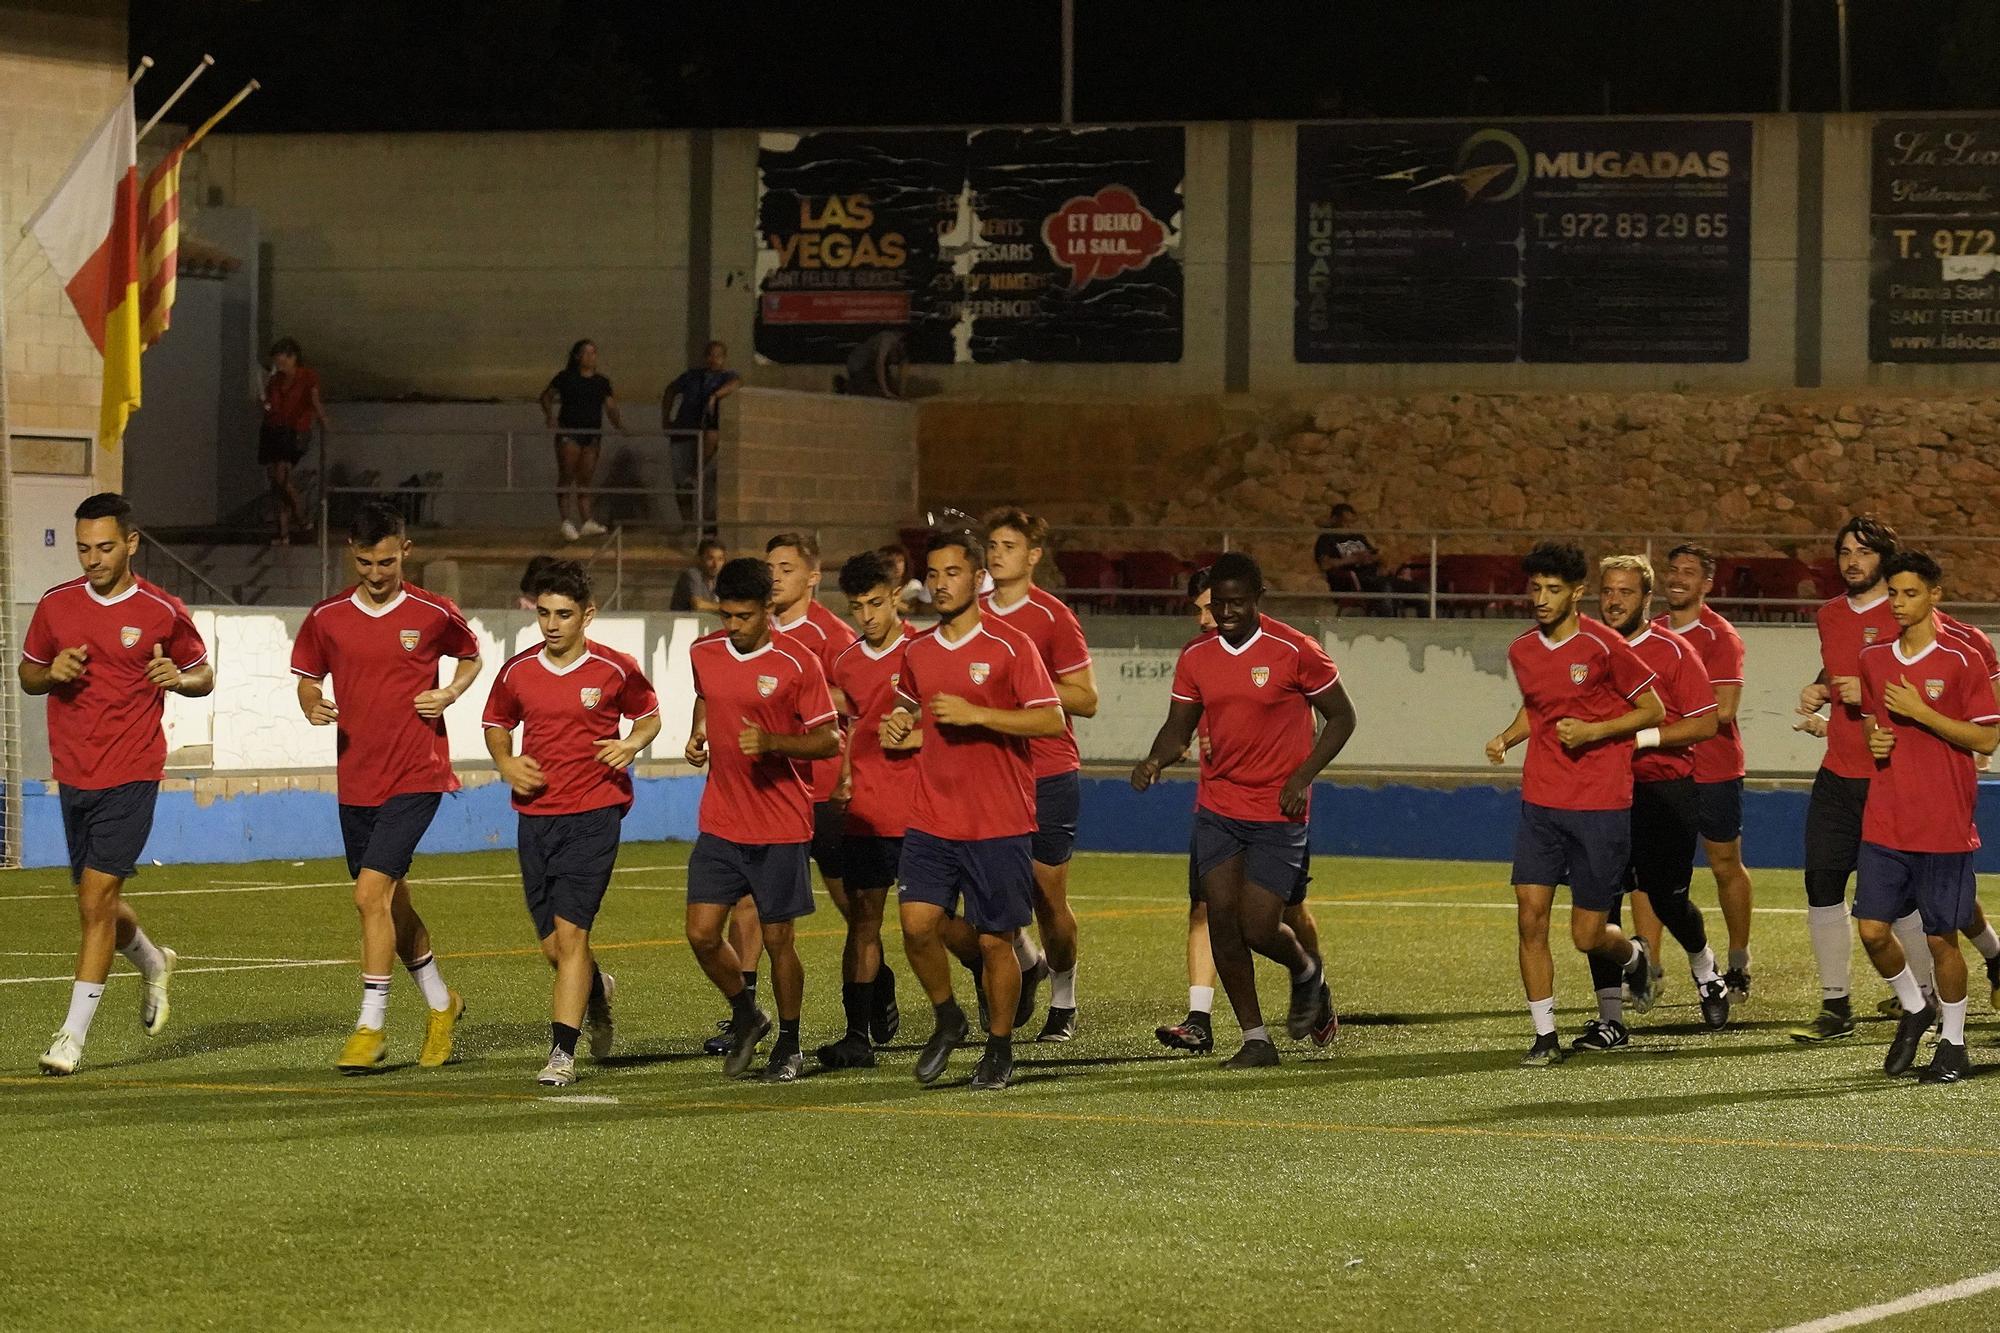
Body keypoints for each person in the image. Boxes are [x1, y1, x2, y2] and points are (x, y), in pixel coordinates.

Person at [1131, 551, 1355, 1068]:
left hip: (1279, 807)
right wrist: (1155, 758)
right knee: (1222, 921)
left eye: (1237, 603)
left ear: (1258, 598)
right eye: (1218, 604)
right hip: (1218, 806)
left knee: (1259, 926)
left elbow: (1342, 718)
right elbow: (1178, 727)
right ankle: (1255, 1038)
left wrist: (1302, 777)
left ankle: (1306, 973)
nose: (1226, 613)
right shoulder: (1196, 656)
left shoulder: (1296, 650)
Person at [23, 493, 212, 1075]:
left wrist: (179, 679)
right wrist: (50, 672)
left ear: (131, 543)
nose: (92, 559)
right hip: (74, 770)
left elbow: (203, 673)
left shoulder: (161, 609)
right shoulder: (57, 605)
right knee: (95, 904)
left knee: (94, 900)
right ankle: (153, 961)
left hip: (132, 771)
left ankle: (71, 1037)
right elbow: (30, 673)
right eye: (83, 549)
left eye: (104, 547)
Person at [293, 500, 482, 1073]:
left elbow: (471, 657)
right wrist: (310, 704)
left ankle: (369, 1026)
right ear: (350, 553)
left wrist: (448, 693)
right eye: (364, 563)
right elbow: (307, 674)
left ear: (406, 550)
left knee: (368, 895)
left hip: (417, 773)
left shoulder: (431, 611)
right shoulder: (327, 617)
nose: (375, 575)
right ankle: (441, 1002)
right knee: (392, 902)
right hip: (357, 780)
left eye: (385, 562)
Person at [881, 530, 1065, 1090]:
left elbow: (1050, 720)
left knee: (994, 941)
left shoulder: (1011, 647)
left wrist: (979, 715)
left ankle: (1000, 1047)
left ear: (978, 579)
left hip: (999, 820)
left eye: (952, 573)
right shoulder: (916, 649)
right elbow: (906, 704)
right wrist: (897, 723)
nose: (939, 584)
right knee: (917, 927)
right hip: (933, 816)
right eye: (932, 575)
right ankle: (948, 1017)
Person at [1485, 541, 1665, 1067]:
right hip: (1541, 802)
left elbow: (1652, 709)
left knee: (1587, 935)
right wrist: (1505, 738)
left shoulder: (1605, 646)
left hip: (1600, 804)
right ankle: (1545, 1036)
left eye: (1553, 589)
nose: (1541, 598)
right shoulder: (1522, 650)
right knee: (1529, 917)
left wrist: (1595, 731)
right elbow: (1538, 710)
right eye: (1535, 588)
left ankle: (1633, 957)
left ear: (1577, 593)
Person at [483, 560, 660, 1087]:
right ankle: (597, 991)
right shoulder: (518, 671)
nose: (552, 624)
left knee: (573, 932)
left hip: (594, 813)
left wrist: (629, 745)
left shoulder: (615, 668)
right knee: (555, 948)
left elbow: (649, 714)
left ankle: (562, 1053)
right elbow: (496, 722)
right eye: (544, 614)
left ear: (588, 615)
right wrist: (506, 762)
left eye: (564, 614)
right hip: (536, 818)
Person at [683, 558, 839, 1082]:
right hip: (721, 818)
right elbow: (707, 695)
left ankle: (790, 1044)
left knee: (778, 942)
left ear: (768, 610)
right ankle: (749, 1015)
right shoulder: (703, 652)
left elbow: (828, 738)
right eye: (726, 615)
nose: (733, 626)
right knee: (702, 934)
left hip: (780, 823)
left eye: (744, 616)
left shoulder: (799, 663)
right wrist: (698, 734)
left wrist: (773, 743)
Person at [1788, 516, 1941, 1042]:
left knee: (1899, 898)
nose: (1853, 560)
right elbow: (1837, 669)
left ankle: (1925, 996)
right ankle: (1835, 1005)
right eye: (1845, 551)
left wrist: (1866, 693)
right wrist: (1820, 689)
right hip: (1837, 774)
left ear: (1885, 558)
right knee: (1821, 885)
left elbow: (1921, 681)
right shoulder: (1829, 615)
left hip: (1888, 775)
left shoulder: (1904, 608)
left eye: (1865, 551)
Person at [1853, 551, 1999, 1084]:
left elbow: (1986, 737)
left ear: (1935, 595)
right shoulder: (1873, 660)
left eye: (1910, 593)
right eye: (1892, 593)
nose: (1898, 602)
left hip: (1942, 822)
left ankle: (1954, 1044)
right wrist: (1877, 739)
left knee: (1942, 939)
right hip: (1886, 819)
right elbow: (1874, 726)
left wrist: (1923, 713)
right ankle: (1915, 1007)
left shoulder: (1964, 660)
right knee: (1872, 930)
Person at [1590, 555, 1729, 1049]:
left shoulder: (1672, 650)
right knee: (1598, 901)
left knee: (1668, 898)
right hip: (1603, 793)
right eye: (1608, 590)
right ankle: (1610, 1020)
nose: (1614, 601)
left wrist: (1643, 739)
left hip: (1664, 789)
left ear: (1646, 599)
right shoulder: (1586, 649)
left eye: (1626, 592)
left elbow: (1705, 723)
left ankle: (1706, 969)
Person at [980, 507, 1098, 1041]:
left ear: (1032, 556)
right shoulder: (970, 614)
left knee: (1047, 898)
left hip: (1047, 772)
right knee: (984, 892)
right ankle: (1027, 963)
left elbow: (1085, 698)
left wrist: (1026, 681)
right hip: (986, 772)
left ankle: (1064, 998)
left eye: (1008, 544)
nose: (996, 552)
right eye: (992, 544)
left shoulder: (1052, 617)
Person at [816, 550, 919, 1069]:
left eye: (876, 603)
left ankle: (998, 988)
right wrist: (844, 779)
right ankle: (857, 1035)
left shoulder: (925, 651)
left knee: (937, 925)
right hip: (870, 810)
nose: (868, 616)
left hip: (926, 810)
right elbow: (852, 729)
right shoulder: (847, 662)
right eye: (858, 607)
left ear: (896, 596)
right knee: (863, 920)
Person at [1655, 542, 1755, 1004]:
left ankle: (1737, 963)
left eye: (1689, 572)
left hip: (1712, 769)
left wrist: (1657, 723)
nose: (1678, 578)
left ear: (1706, 584)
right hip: (1657, 770)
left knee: (1723, 864)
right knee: (1650, 870)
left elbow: (1723, 710)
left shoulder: (1720, 637)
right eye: (1672, 570)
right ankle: (1650, 968)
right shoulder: (1649, 632)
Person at [540, 338, 623, 543]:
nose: (591, 357)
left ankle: (586, 521)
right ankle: (566, 521)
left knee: (585, 479)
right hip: (570, 432)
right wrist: (550, 416)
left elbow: (610, 406)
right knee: (567, 475)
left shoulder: (601, 382)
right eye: (586, 353)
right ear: (577, 356)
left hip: (592, 435)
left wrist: (619, 425)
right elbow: (546, 396)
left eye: (594, 353)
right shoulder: (565, 377)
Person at [662, 340, 741, 531]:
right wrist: (665, 418)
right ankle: (687, 524)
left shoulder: (725, 377)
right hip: (683, 432)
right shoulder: (691, 376)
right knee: (681, 484)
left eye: (718, 356)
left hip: (706, 434)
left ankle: (705, 522)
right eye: (711, 355)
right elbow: (670, 390)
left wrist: (715, 396)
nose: (714, 360)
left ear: (724, 358)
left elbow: (735, 383)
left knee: (707, 486)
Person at [259, 337, 329, 546]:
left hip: (294, 432)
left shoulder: (307, 376)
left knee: (282, 475)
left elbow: (313, 399)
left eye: (282, 361)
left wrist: (322, 418)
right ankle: (283, 531)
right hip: (273, 430)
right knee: (275, 479)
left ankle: (301, 518)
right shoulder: (275, 380)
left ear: (292, 357)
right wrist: (266, 407)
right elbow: (271, 404)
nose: (279, 366)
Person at [671, 537, 726, 613]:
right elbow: (698, 605)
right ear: (700, 559)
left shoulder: (719, 578)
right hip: (683, 623)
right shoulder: (692, 575)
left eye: (720, 559)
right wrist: (727, 607)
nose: (716, 565)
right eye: (710, 558)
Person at [880, 544, 930, 615]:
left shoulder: (913, 585)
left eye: (900, 561)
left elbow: (912, 610)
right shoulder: (879, 586)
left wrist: (889, 600)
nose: (896, 566)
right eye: (891, 562)